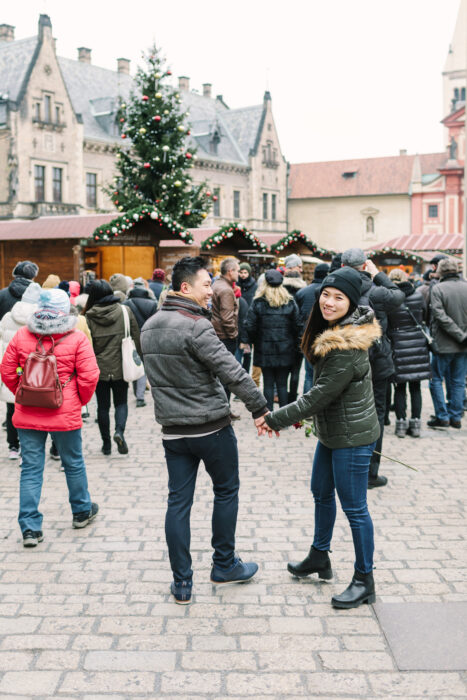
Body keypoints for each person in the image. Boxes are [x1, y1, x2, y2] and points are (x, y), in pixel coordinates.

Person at [140, 256, 272, 605]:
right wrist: (259, 407)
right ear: (185, 287)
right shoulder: (196, 326)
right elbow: (233, 371)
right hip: (211, 428)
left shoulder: (149, 325)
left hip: (173, 432)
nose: (210, 292)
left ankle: (182, 583)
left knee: (178, 503)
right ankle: (224, 565)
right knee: (226, 491)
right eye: (204, 285)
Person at [263, 267, 381, 609]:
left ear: (351, 302)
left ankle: (364, 579)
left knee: (356, 509)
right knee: (320, 492)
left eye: (338, 297)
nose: (329, 302)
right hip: (334, 433)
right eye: (326, 294)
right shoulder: (333, 329)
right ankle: (319, 555)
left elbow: (317, 397)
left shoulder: (344, 345)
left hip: (353, 437)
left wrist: (274, 419)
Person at [0, 289, 100, 547]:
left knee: (31, 469)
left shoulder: (23, 335)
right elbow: (89, 376)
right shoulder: (76, 337)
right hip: (64, 412)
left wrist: (23, 393)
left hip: (28, 411)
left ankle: (30, 528)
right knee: (73, 462)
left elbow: (7, 370)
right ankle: (80, 511)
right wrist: (78, 401)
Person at [341, 248, 404, 488]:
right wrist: (377, 273)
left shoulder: (334, 289)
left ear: (343, 264)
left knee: (346, 412)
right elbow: (398, 295)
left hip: (345, 359)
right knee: (375, 415)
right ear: (365, 265)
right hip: (376, 361)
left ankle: (345, 470)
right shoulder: (376, 291)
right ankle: (369, 473)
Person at [85, 280, 141, 455]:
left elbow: (86, 345)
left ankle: (106, 445)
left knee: (102, 407)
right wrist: (140, 358)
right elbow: (136, 337)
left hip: (98, 368)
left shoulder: (88, 316)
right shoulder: (125, 312)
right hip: (121, 366)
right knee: (121, 403)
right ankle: (119, 431)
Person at [245, 269, 300, 411]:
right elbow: (298, 325)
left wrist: (252, 340)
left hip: (264, 349)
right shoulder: (289, 302)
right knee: (282, 384)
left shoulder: (258, 302)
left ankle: (269, 415)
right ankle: (283, 416)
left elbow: (250, 325)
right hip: (286, 349)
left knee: (268, 383)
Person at [387, 269, 431, 438]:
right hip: (417, 344)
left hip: (398, 344)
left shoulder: (390, 299)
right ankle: (416, 424)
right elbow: (424, 317)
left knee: (399, 387)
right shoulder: (418, 296)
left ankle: (401, 425)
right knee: (416, 387)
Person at [0, 282, 41, 460]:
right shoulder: (39, 318)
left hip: (12, 367)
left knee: (12, 408)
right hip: (33, 369)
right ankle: (28, 446)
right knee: (31, 408)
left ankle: (13, 446)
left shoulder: (8, 317)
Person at [428, 258, 467, 429]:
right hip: (463, 343)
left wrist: (460, 335)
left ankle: (442, 416)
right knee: (458, 381)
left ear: (441, 271)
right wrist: (463, 336)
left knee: (435, 379)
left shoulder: (438, 288)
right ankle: (456, 417)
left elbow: (439, 315)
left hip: (444, 343)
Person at [211, 258, 240, 415]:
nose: (238, 273)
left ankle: (220, 409)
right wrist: (233, 335)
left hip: (216, 334)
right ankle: (224, 411)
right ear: (230, 271)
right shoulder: (226, 290)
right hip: (225, 337)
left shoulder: (216, 285)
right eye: (237, 270)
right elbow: (227, 318)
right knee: (226, 376)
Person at [123, 277, 158, 407]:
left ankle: (137, 392)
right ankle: (140, 396)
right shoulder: (151, 303)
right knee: (142, 366)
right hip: (146, 337)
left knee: (134, 363)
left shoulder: (126, 304)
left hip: (130, 339)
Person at [295, 263, 330, 392]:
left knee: (309, 374)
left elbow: (297, 316)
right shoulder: (329, 293)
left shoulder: (302, 292)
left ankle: (307, 406)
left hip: (308, 335)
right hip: (325, 336)